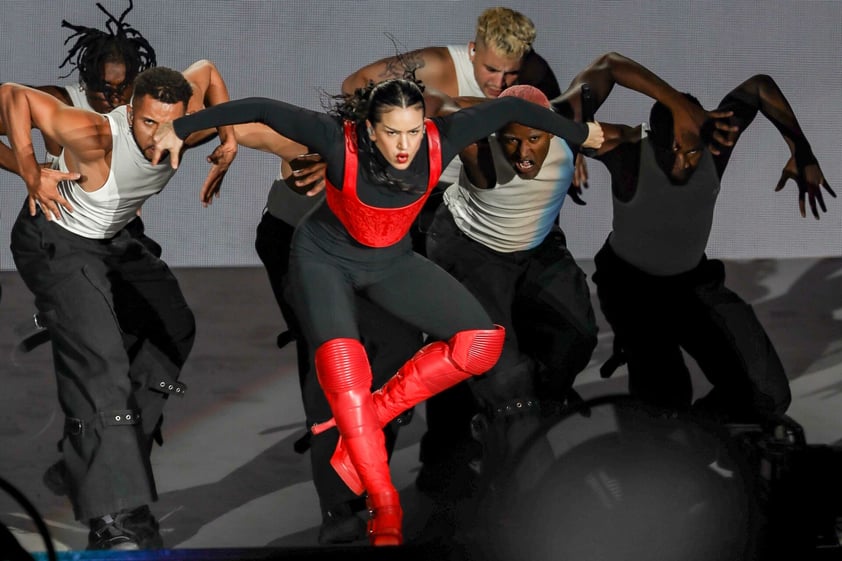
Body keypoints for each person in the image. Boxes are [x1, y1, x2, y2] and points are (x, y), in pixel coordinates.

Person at [151, 77, 602, 545]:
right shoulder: (336, 140)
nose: (404, 145)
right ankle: (383, 509)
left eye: (412, 131)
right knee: (343, 379)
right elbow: (262, 107)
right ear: (369, 130)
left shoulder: (439, 138)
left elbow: (520, 111)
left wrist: (582, 134)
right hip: (323, 260)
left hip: (389, 262)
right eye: (392, 133)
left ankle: (366, 427)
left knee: (480, 343)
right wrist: (180, 128)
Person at [0, 62, 237, 550]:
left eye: (169, 124)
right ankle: (114, 515)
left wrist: (229, 140)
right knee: (100, 366)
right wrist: (28, 169)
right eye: (148, 123)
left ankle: (88, 463)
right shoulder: (92, 133)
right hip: (56, 238)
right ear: (131, 112)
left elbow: (209, 72)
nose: (158, 137)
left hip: (112, 239)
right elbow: (11, 95)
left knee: (173, 327)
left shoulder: (184, 129)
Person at [583, 57, 834, 423]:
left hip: (690, 283)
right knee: (665, 398)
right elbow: (570, 116)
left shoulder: (715, 144)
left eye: (692, 151)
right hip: (630, 287)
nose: (685, 162)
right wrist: (571, 151)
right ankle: (656, 444)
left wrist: (801, 150)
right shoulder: (628, 151)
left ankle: (699, 440)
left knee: (767, 395)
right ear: (654, 140)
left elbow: (760, 85)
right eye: (674, 151)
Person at [240, 126, 423, 544]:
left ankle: (361, 471)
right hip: (295, 241)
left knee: (396, 351)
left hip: (369, 249)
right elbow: (252, 126)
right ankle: (338, 506)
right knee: (334, 361)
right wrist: (199, 133)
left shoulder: (423, 144)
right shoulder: (317, 143)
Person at [424, 85, 599, 497]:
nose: (523, 153)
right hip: (470, 248)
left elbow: (611, 67)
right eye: (512, 138)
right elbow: (433, 100)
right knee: (507, 381)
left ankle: (530, 422)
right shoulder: (478, 150)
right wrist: (498, 112)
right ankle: (525, 485)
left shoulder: (570, 132)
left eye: (535, 138)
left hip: (535, 248)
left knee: (577, 338)